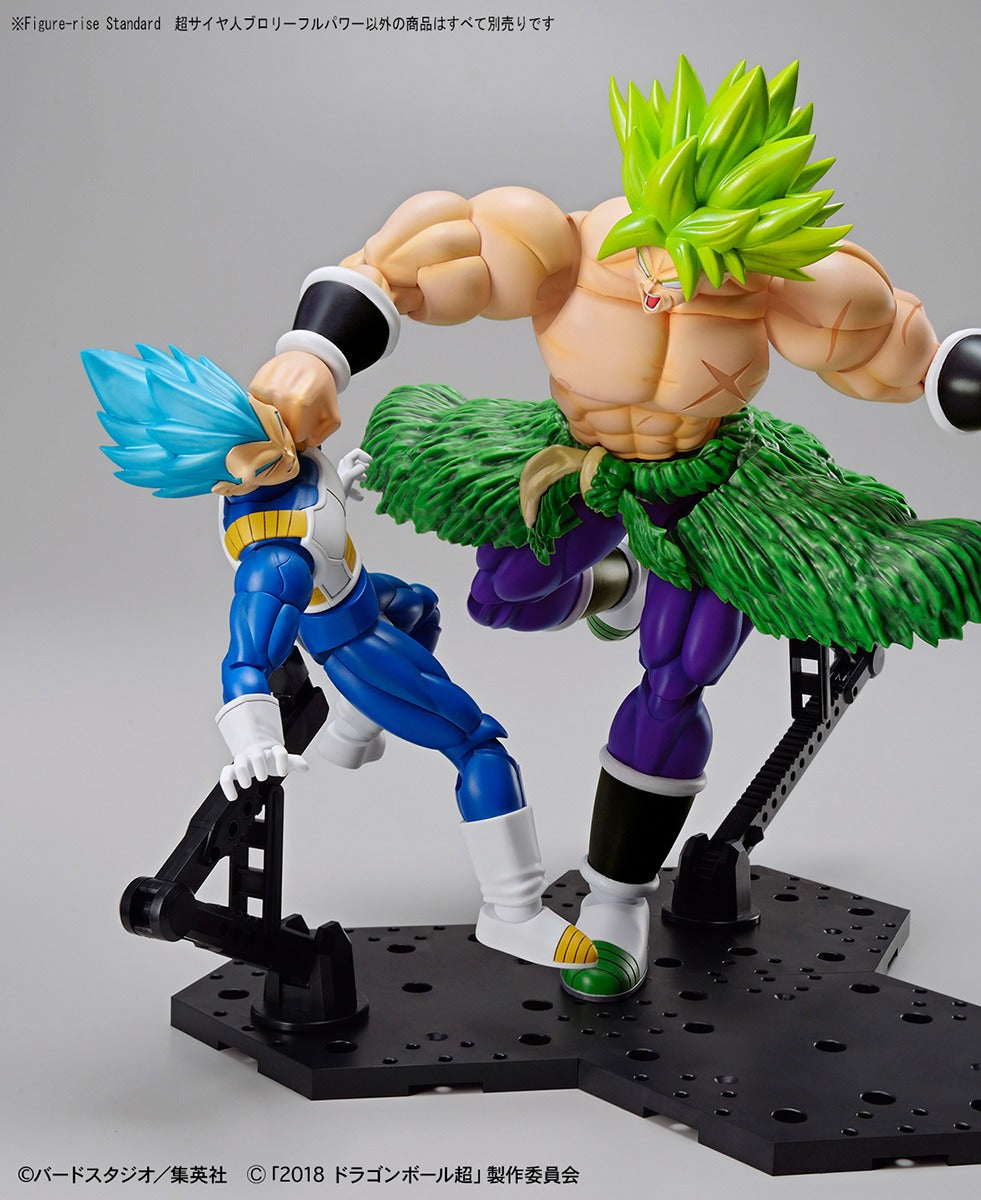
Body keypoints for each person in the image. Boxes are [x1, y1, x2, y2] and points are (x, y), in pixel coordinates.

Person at [243, 57, 981, 999]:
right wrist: (313, 356)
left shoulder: (789, 283)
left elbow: (904, 356)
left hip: (705, 486)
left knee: (676, 676)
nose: (681, 289)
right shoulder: (560, 245)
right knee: (500, 597)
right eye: (667, 263)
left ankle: (618, 896)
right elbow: (404, 265)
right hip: (579, 457)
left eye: (715, 274)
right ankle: (619, 586)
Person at [83, 344, 597, 972]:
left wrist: (336, 487)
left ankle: (353, 729)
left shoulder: (283, 451)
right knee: (478, 745)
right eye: (280, 443)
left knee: (422, 609)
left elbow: (306, 469)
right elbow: (245, 660)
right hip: (349, 641)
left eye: (298, 432)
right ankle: (512, 913)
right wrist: (254, 741)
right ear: (237, 468)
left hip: (362, 592)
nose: (297, 442)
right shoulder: (276, 561)